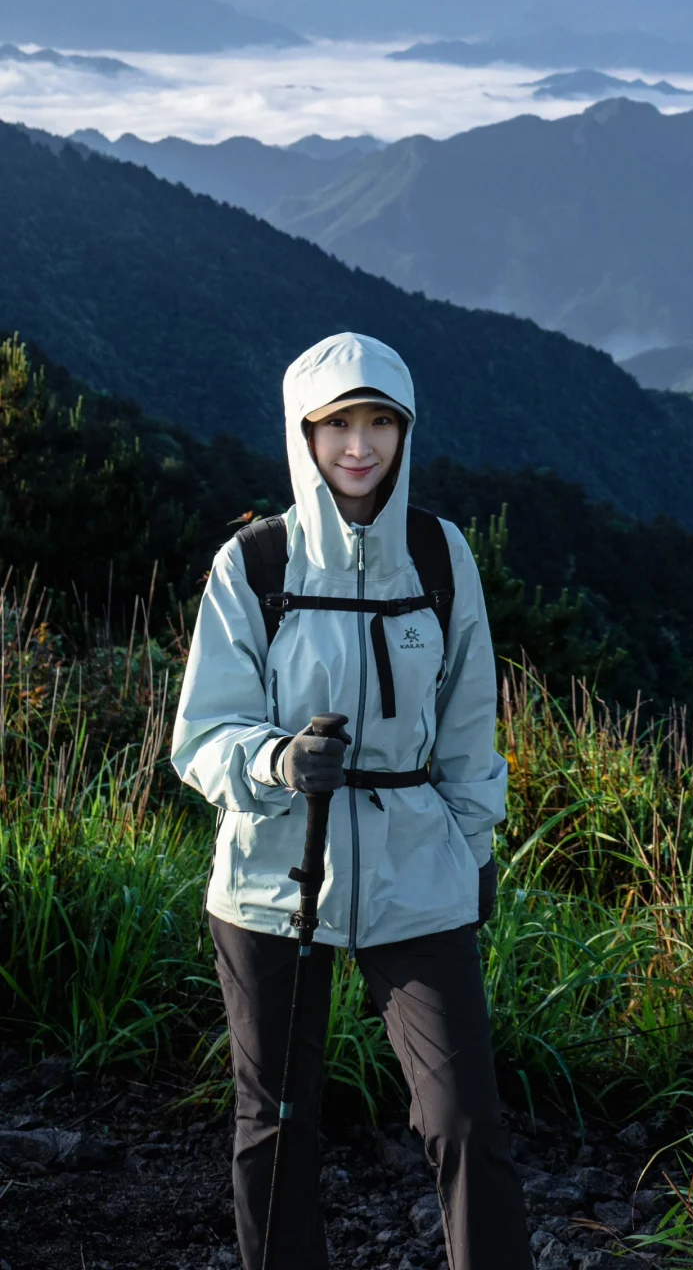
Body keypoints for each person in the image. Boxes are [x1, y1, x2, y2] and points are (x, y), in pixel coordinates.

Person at [171, 331, 532, 1270]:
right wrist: (279, 759)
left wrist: (471, 851)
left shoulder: (440, 556)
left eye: (380, 423)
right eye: (337, 426)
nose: (359, 447)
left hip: (418, 868)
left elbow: (468, 726)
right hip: (273, 877)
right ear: (305, 433)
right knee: (278, 1125)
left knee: (464, 1120)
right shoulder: (254, 564)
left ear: (406, 432)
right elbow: (202, 738)